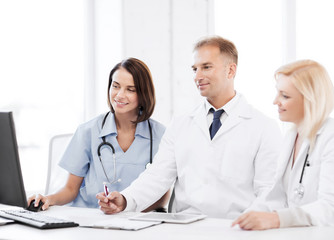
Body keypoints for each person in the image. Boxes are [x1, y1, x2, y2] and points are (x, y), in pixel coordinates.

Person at [96, 36, 282, 219]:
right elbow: (157, 176)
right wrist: (125, 199)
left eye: (206, 67)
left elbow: (268, 191)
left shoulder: (264, 127)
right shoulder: (181, 123)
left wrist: (251, 223)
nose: (197, 76)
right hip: (184, 228)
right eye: (194, 69)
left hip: (235, 229)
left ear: (230, 70)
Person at [232, 59, 334, 230]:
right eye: (277, 93)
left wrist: (276, 219)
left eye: (285, 96)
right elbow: (277, 197)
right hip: (311, 230)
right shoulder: (292, 136)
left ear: (310, 100)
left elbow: (332, 208)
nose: (275, 101)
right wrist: (245, 219)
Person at [28, 58, 170, 211]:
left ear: (143, 93)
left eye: (130, 89)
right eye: (115, 86)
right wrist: (48, 199)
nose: (120, 95)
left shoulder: (161, 136)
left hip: (136, 222)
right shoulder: (88, 131)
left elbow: (162, 196)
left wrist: (127, 209)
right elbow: (70, 189)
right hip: (88, 220)